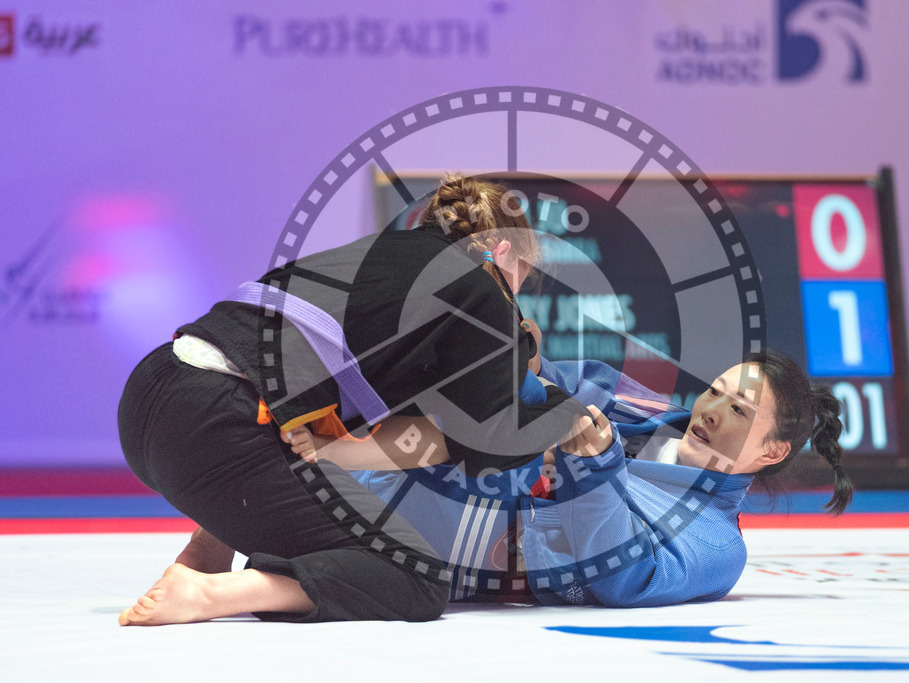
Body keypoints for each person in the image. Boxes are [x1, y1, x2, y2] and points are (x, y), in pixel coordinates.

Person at [116, 174, 588, 626]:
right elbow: (492, 439)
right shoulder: (481, 280)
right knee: (418, 575)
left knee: (291, 439)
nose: (516, 302)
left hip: (152, 396)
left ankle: (204, 556)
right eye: (520, 281)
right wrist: (565, 412)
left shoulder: (383, 258)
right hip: (217, 424)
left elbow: (422, 432)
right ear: (500, 251)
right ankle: (211, 594)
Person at [338, 349, 852, 606]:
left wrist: (591, 467)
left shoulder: (718, 544)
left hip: (432, 543)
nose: (712, 411)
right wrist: (524, 357)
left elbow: (624, 577)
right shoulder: (651, 414)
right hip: (376, 470)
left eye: (738, 410)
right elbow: (571, 379)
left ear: (774, 450)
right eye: (715, 391)